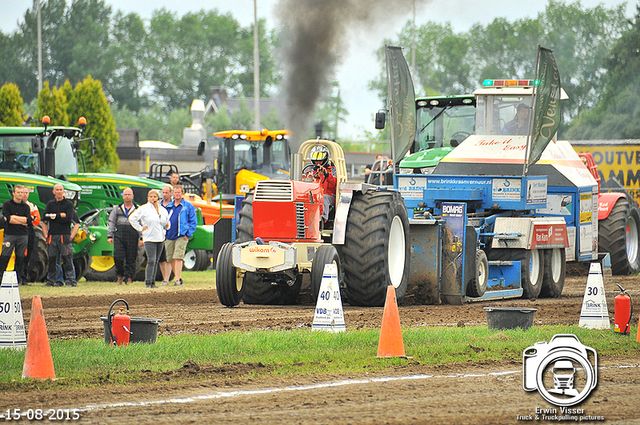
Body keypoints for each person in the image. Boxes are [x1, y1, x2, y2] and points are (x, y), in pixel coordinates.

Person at [128, 190, 169, 288]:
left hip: (160, 238)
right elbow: (132, 218)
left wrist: (167, 226)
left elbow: (165, 221)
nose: (153, 199)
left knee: (156, 260)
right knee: (151, 260)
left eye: (155, 197)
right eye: (151, 197)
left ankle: (152, 281)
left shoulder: (162, 209)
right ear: (148, 198)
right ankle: (148, 282)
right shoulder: (144, 209)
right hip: (149, 238)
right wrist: (140, 228)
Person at [42, 184, 79, 287]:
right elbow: (44, 217)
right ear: (53, 192)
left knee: (67, 259)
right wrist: (60, 215)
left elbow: (68, 219)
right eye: (56, 190)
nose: (58, 192)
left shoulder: (68, 204)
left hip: (64, 236)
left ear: (64, 192)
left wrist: (54, 216)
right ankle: (51, 281)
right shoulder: (50, 204)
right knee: (52, 260)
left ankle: (70, 281)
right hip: (52, 236)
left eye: (60, 190)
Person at [107, 188, 142, 285]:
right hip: (119, 235)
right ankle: (120, 275)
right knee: (118, 257)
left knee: (131, 258)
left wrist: (141, 238)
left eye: (129, 194)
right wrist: (109, 235)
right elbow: (111, 222)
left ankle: (129, 278)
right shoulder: (116, 208)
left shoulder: (138, 209)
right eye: (125, 194)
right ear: (123, 196)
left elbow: (141, 223)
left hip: (133, 235)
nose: (127, 196)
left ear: (132, 196)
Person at [164, 185, 197, 286]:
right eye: (175, 192)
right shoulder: (169, 206)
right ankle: (176, 276)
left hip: (181, 235)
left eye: (179, 192)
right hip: (169, 235)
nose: (177, 194)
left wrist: (188, 233)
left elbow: (193, 221)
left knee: (178, 256)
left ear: (182, 193)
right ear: (173, 193)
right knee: (170, 258)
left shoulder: (187, 206)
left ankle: (177, 279)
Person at [0, 185, 32, 285]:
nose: (21, 194)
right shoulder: (7, 204)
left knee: (21, 258)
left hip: (23, 235)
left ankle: (18, 280)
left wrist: (15, 218)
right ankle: (1, 278)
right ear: (13, 193)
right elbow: (8, 219)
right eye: (18, 192)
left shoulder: (26, 207)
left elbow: (28, 221)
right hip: (10, 235)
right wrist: (21, 220)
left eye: (22, 192)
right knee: (5, 256)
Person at [305, 145, 337, 224]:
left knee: (323, 197)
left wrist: (327, 175)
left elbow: (334, 183)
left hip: (329, 196)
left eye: (320, 160)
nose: (318, 163)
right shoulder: (309, 171)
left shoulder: (332, 170)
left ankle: (321, 220)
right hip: (313, 196)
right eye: (316, 161)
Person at [19, 186, 41, 286]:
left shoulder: (32, 206)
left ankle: (24, 278)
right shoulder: (14, 205)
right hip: (18, 232)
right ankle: (17, 277)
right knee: (19, 254)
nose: (24, 194)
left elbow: (37, 220)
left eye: (26, 193)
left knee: (28, 254)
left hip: (29, 231)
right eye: (22, 192)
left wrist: (23, 220)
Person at [158, 185, 174, 285]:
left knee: (168, 258)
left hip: (170, 234)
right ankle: (164, 277)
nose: (164, 195)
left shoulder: (174, 205)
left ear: (170, 193)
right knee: (161, 258)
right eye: (163, 193)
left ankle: (167, 279)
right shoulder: (158, 206)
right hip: (159, 234)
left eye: (166, 193)